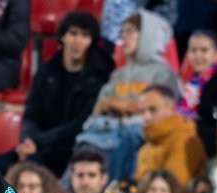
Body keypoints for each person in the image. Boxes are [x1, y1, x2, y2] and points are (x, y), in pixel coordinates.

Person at [0, 10, 113, 178]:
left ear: (91, 41)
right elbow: (32, 114)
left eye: (85, 35)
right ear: (63, 36)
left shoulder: (98, 76)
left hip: (70, 146)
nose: (78, 41)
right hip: (39, 144)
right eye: (73, 33)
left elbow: (79, 124)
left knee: (32, 165)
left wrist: (38, 143)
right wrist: (28, 140)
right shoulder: (47, 70)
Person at [76, 9, 180, 181]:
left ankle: (113, 191)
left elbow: (159, 110)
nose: (124, 37)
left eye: (130, 31)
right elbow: (100, 107)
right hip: (111, 128)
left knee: (129, 134)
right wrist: (121, 106)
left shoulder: (164, 72)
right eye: (122, 32)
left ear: (148, 35)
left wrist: (118, 104)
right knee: (86, 139)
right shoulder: (118, 74)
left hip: (142, 130)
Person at [134, 84, 207, 185]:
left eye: (153, 110)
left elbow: (173, 187)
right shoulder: (146, 148)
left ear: (170, 108)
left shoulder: (185, 140)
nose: (146, 117)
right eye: (142, 112)